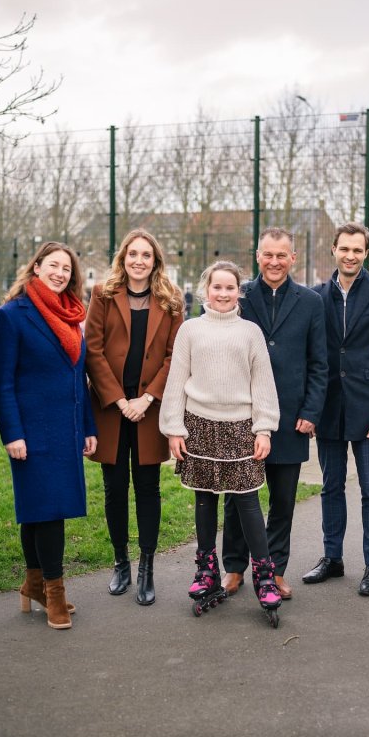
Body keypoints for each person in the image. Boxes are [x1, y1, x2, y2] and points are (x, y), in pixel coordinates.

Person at [159, 260, 283, 623]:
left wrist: (264, 428)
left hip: (240, 428)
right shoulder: (190, 330)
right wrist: (173, 427)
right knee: (204, 500)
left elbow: (263, 383)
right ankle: (206, 570)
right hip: (199, 426)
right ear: (206, 290)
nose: (223, 294)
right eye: (217, 287)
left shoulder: (250, 333)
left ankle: (263, 574)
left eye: (230, 288)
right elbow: (177, 380)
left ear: (238, 292)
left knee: (247, 502)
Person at [0, 241, 97, 630]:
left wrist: (87, 427)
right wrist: (12, 434)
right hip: (31, 434)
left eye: (66, 268)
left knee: (41, 512)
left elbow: (78, 378)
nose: (60, 273)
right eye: (53, 265)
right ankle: (54, 593)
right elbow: (0, 382)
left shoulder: (72, 316)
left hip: (66, 430)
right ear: (36, 267)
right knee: (47, 512)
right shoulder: (12, 315)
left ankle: (33, 583)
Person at [221, 227, 328, 601]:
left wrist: (311, 411)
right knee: (237, 497)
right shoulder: (240, 296)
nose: (275, 262)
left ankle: (274, 570)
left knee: (283, 501)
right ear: (257, 255)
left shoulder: (311, 302)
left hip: (290, 418)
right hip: (241, 416)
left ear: (293, 258)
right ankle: (233, 568)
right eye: (268, 254)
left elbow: (319, 363)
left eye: (282, 255)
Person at [302, 222, 369, 597]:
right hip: (329, 409)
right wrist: (310, 410)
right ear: (333, 249)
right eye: (344, 248)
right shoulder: (314, 297)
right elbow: (312, 357)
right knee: (330, 487)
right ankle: (333, 558)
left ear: (365, 253)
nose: (350, 255)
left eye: (357, 250)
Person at [85, 229, 184, 605]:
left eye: (146, 255)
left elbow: (175, 356)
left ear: (155, 260)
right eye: (132, 254)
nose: (138, 261)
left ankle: (146, 568)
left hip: (149, 409)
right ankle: (120, 563)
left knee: (147, 489)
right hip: (112, 410)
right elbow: (92, 350)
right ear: (123, 258)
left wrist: (145, 399)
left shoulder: (171, 301)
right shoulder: (103, 295)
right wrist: (118, 399)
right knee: (114, 490)